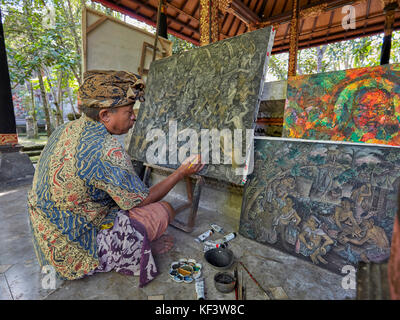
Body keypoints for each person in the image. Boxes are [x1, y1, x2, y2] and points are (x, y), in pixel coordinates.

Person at [27, 70, 204, 287]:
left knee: (126, 202)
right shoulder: (107, 151)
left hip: (46, 237)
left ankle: (138, 242)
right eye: (129, 111)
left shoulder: (66, 128)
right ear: (104, 115)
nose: (134, 116)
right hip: (72, 250)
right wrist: (181, 172)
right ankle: (136, 248)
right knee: (163, 210)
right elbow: (142, 199)